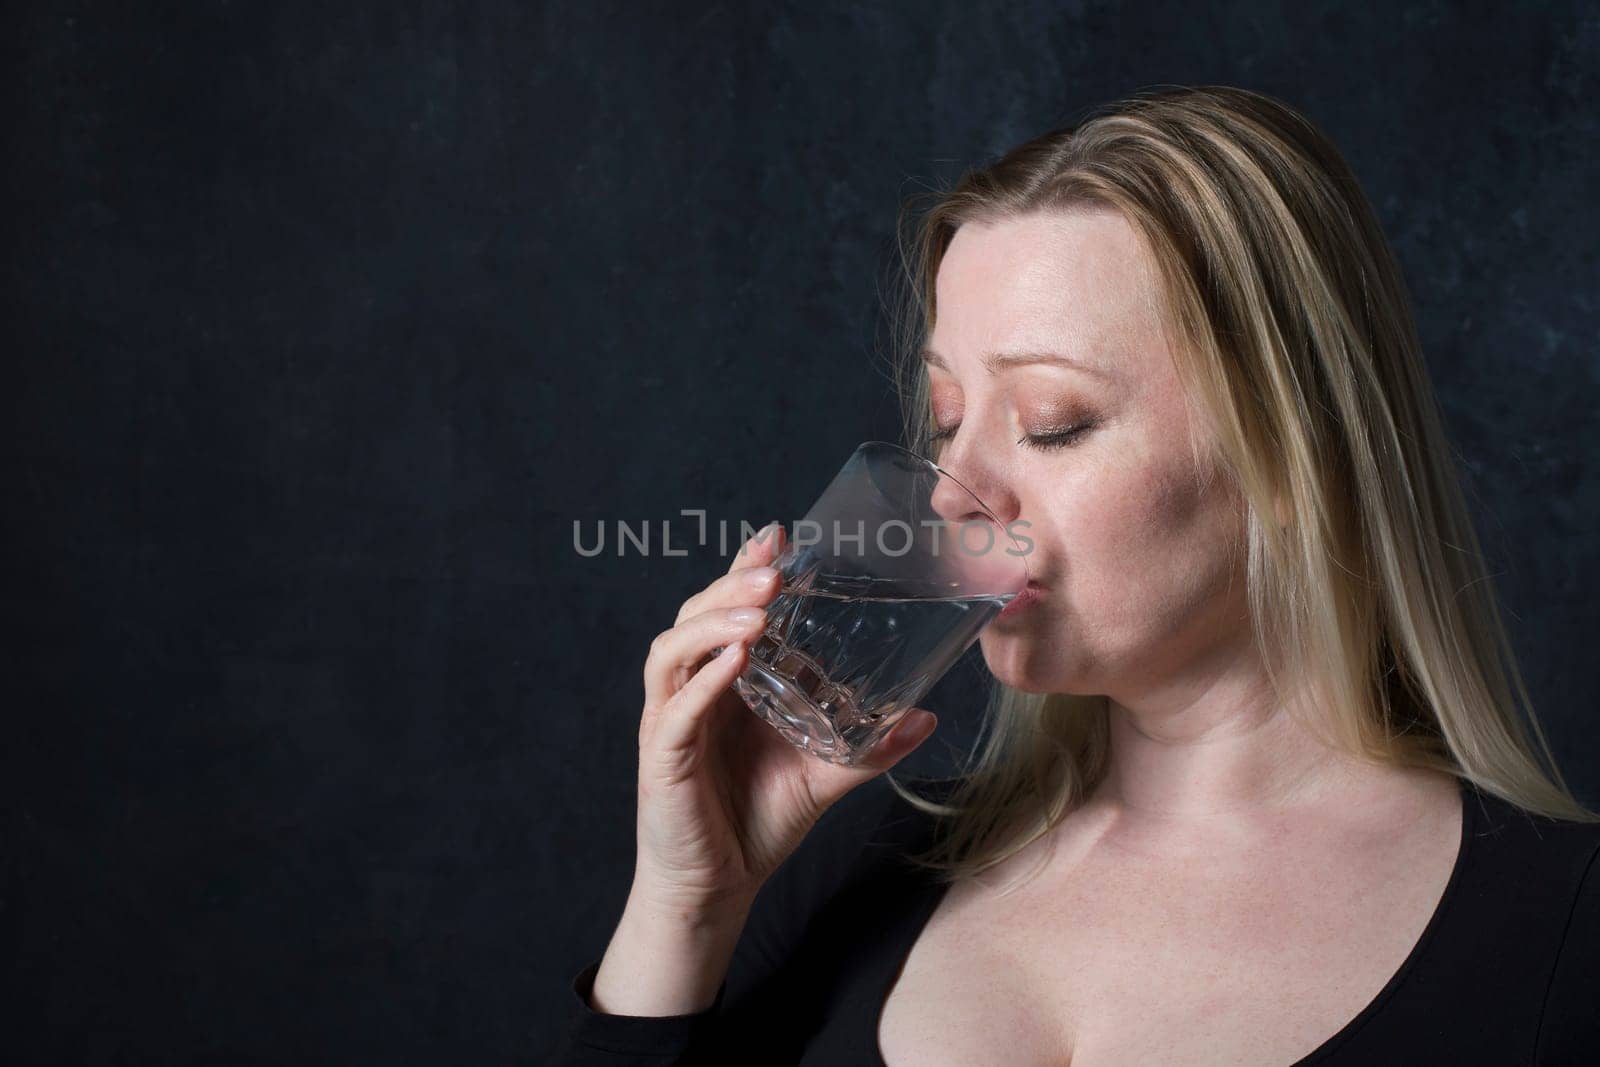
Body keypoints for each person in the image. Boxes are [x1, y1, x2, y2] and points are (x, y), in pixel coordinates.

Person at [546, 86, 1600, 1065]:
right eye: (949, 418)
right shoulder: (861, 865)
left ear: (1297, 457)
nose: (954, 491)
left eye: (1053, 424)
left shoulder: (1562, 932)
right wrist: (686, 904)